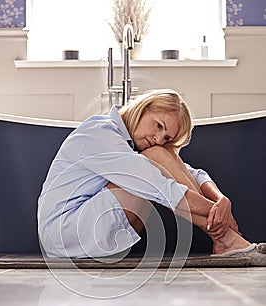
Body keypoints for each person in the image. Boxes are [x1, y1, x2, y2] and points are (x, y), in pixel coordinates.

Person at [38, 89, 265, 264]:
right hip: (66, 232)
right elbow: (160, 186)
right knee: (154, 170)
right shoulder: (100, 132)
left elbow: (193, 173)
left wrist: (221, 200)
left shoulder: (133, 148)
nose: (158, 137)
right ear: (143, 108)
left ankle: (226, 240)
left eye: (166, 136)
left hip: (91, 231)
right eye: (158, 125)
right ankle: (226, 238)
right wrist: (217, 215)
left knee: (160, 157)